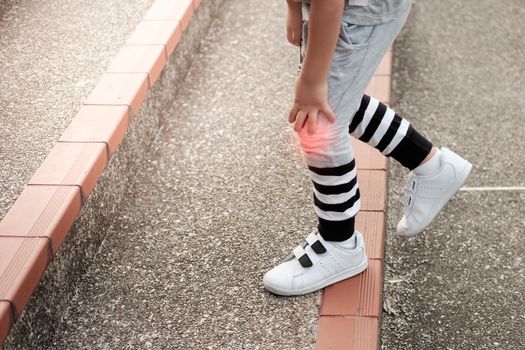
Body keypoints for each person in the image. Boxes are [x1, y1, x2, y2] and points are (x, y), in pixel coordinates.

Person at [263, 0, 472, 296]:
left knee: (319, 122)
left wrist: (311, 82)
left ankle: (340, 243)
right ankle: (432, 166)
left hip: (360, 9)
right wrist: (294, 7)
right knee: (335, 103)